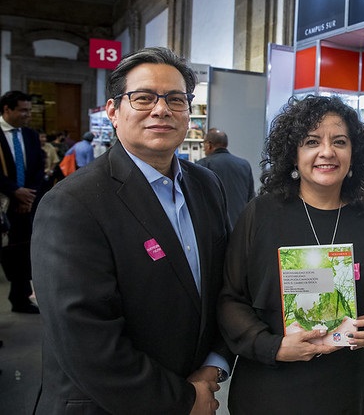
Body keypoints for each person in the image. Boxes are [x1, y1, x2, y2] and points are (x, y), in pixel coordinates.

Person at [31, 47, 233, 414]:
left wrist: (214, 364)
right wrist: (183, 400)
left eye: (176, 99)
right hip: (108, 405)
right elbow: (85, 339)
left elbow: (225, 284)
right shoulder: (73, 204)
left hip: (197, 386)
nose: (161, 110)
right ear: (113, 111)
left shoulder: (207, 185)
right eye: (143, 98)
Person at [218, 94, 364, 414]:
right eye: (311, 141)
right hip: (270, 388)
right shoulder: (260, 215)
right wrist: (274, 347)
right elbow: (229, 299)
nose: (327, 152)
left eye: (340, 141)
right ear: (293, 154)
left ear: (353, 154)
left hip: (345, 389)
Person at [0, 91, 45, 314]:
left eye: (29, 110)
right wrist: (14, 191)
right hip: (4, 204)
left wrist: (29, 195)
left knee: (21, 254)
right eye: (23, 110)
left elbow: (38, 167)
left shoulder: (30, 135)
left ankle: (20, 298)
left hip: (24, 205)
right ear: (7, 109)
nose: (28, 115)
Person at [195, 128, 254, 227]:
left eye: (203, 144)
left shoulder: (202, 165)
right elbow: (250, 197)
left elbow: (196, 200)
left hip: (213, 227)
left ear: (209, 145)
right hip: (240, 226)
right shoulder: (244, 165)